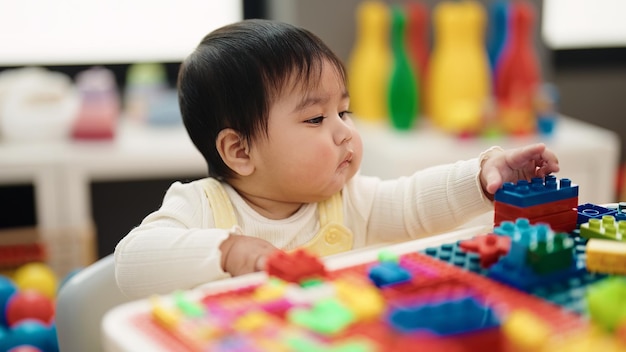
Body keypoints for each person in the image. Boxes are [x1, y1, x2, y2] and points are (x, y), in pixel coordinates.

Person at [114, 19, 560, 298]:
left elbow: (413, 204)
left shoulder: (346, 200)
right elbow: (132, 263)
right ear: (240, 150)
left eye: (343, 111)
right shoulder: (203, 208)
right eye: (315, 119)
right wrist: (230, 251)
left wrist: (482, 178)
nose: (346, 130)